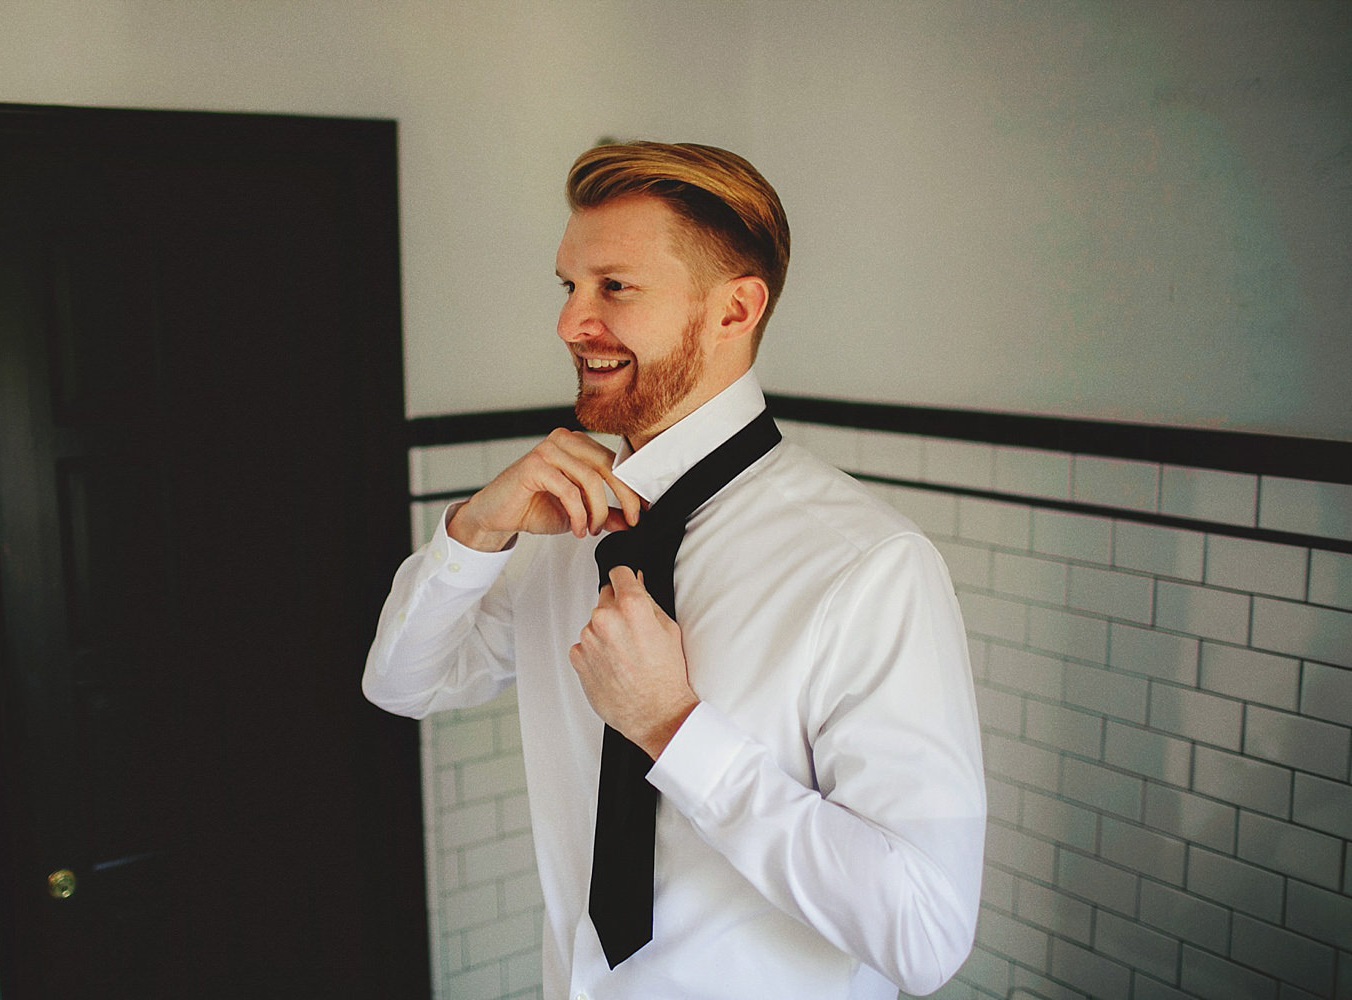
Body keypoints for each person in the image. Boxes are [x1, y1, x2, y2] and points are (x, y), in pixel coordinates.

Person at [364, 141, 985, 1000]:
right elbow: (403, 683)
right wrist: (474, 531)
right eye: (568, 286)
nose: (570, 322)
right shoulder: (563, 525)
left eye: (614, 287)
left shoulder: (867, 566)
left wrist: (673, 728)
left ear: (734, 310)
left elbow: (924, 933)